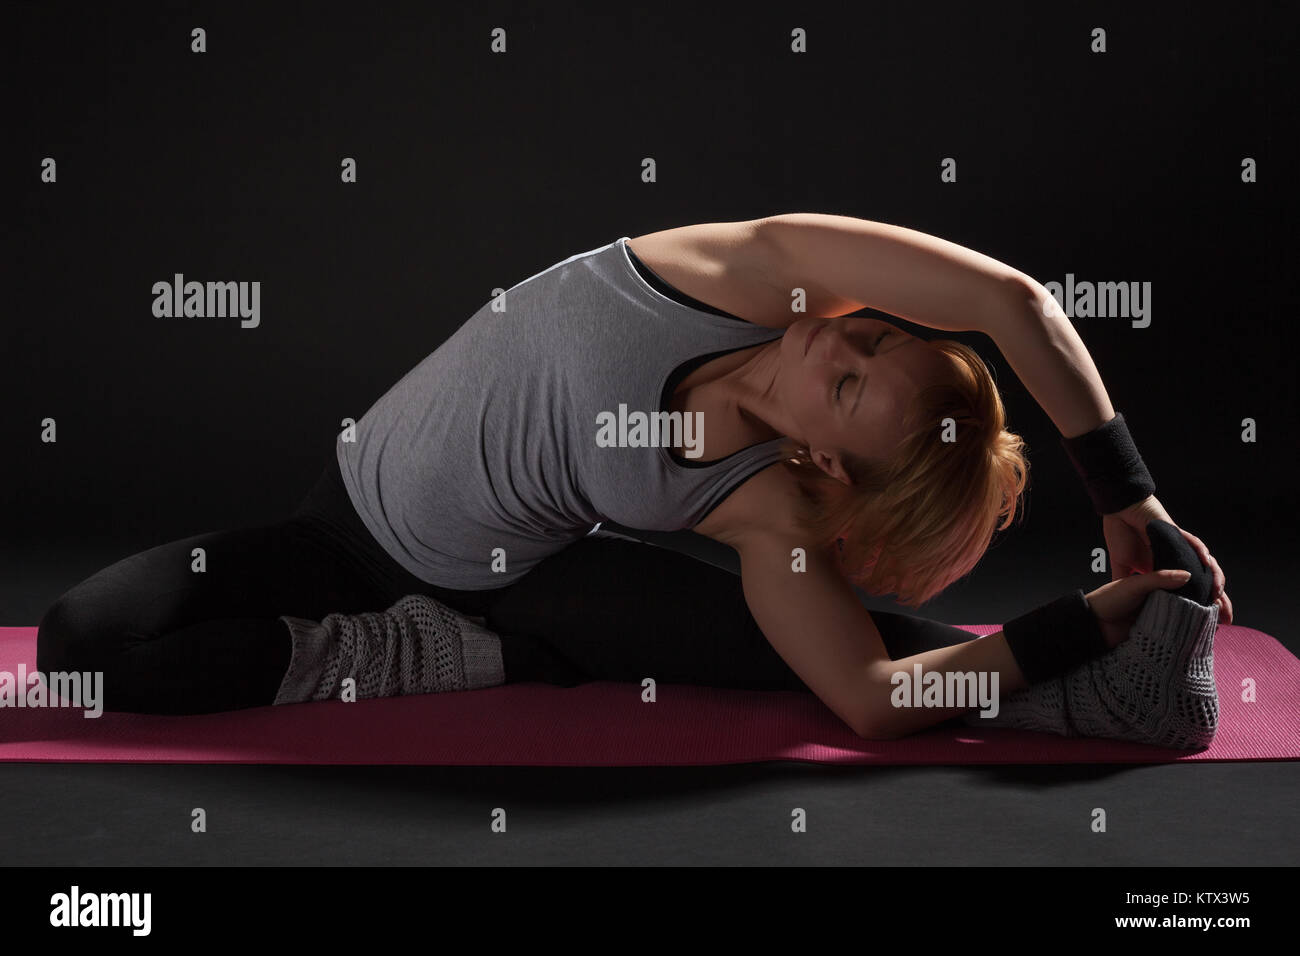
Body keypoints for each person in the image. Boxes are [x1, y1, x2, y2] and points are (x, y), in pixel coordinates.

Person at [36, 213, 1231, 744]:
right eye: (877, 337)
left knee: (820, 653)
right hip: (340, 524)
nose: (840, 342)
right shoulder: (747, 272)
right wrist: (1129, 498)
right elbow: (1012, 298)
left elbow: (873, 697)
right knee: (81, 644)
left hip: (520, 591)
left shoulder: (768, 504)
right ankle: (452, 643)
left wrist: (1087, 616)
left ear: (825, 455)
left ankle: (1122, 665)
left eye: (856, 386)